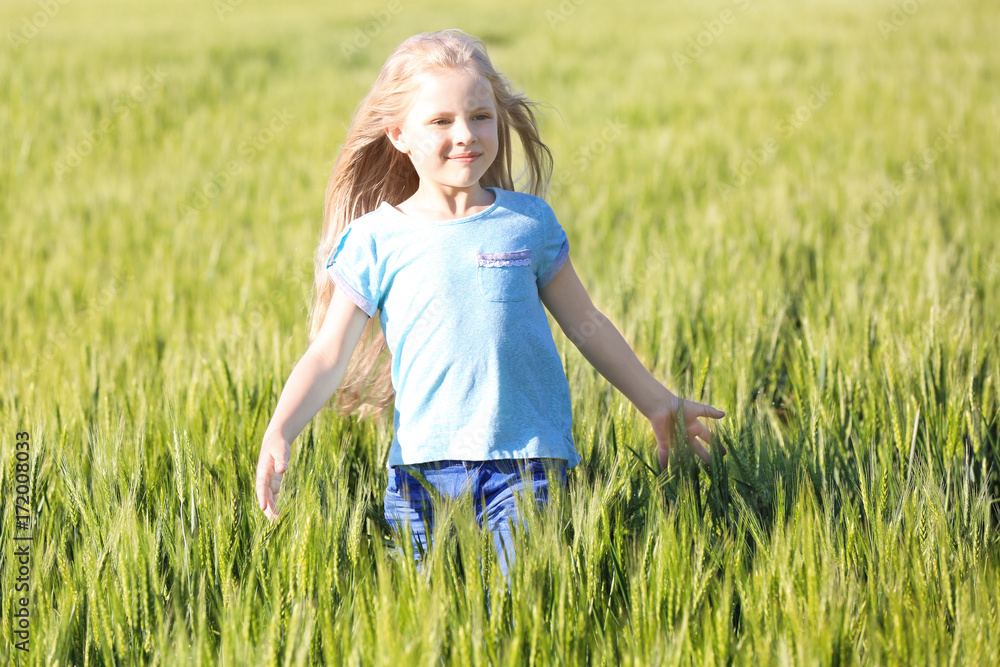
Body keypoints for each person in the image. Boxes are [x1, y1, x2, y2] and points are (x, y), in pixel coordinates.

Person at [254, 29, 725, 584]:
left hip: (527, 461)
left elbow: (586, 325)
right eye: (440, 121)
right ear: (398, 134)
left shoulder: (527, 223)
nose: (466, 135)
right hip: (421, 472)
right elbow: (328, 354)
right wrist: (281, 427)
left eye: (481, 116)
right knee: (422, 616)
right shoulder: (375, 240)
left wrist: (657, 402)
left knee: (521, 606)